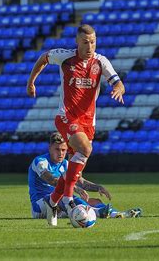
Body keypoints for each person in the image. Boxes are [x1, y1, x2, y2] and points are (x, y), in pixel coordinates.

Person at [26, 24, 126, 226]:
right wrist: (31, 82)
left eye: (93, 42)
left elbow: (118, 82)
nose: (90, 46)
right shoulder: (65, 57)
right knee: (86, 148)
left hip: (88, 123)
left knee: (73, 172)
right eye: (85, 42)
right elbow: (43, 58)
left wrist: (119, 89)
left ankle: (53, 202)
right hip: (66, 117)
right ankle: (67, 199)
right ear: (77, 42)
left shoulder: (101, 61)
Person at [28, 132, 142, 222]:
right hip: (41, 206)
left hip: (60, 207)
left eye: (63, 150)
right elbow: (52, 180)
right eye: (57, 149)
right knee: (67, 198)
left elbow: (80, 181)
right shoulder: (40, 162)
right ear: (49, 148)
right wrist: (75, 188)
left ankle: (117, 214)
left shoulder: (66, 164)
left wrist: (98, 187)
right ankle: (100, 212)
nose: (61, 153)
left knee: (94, 201)